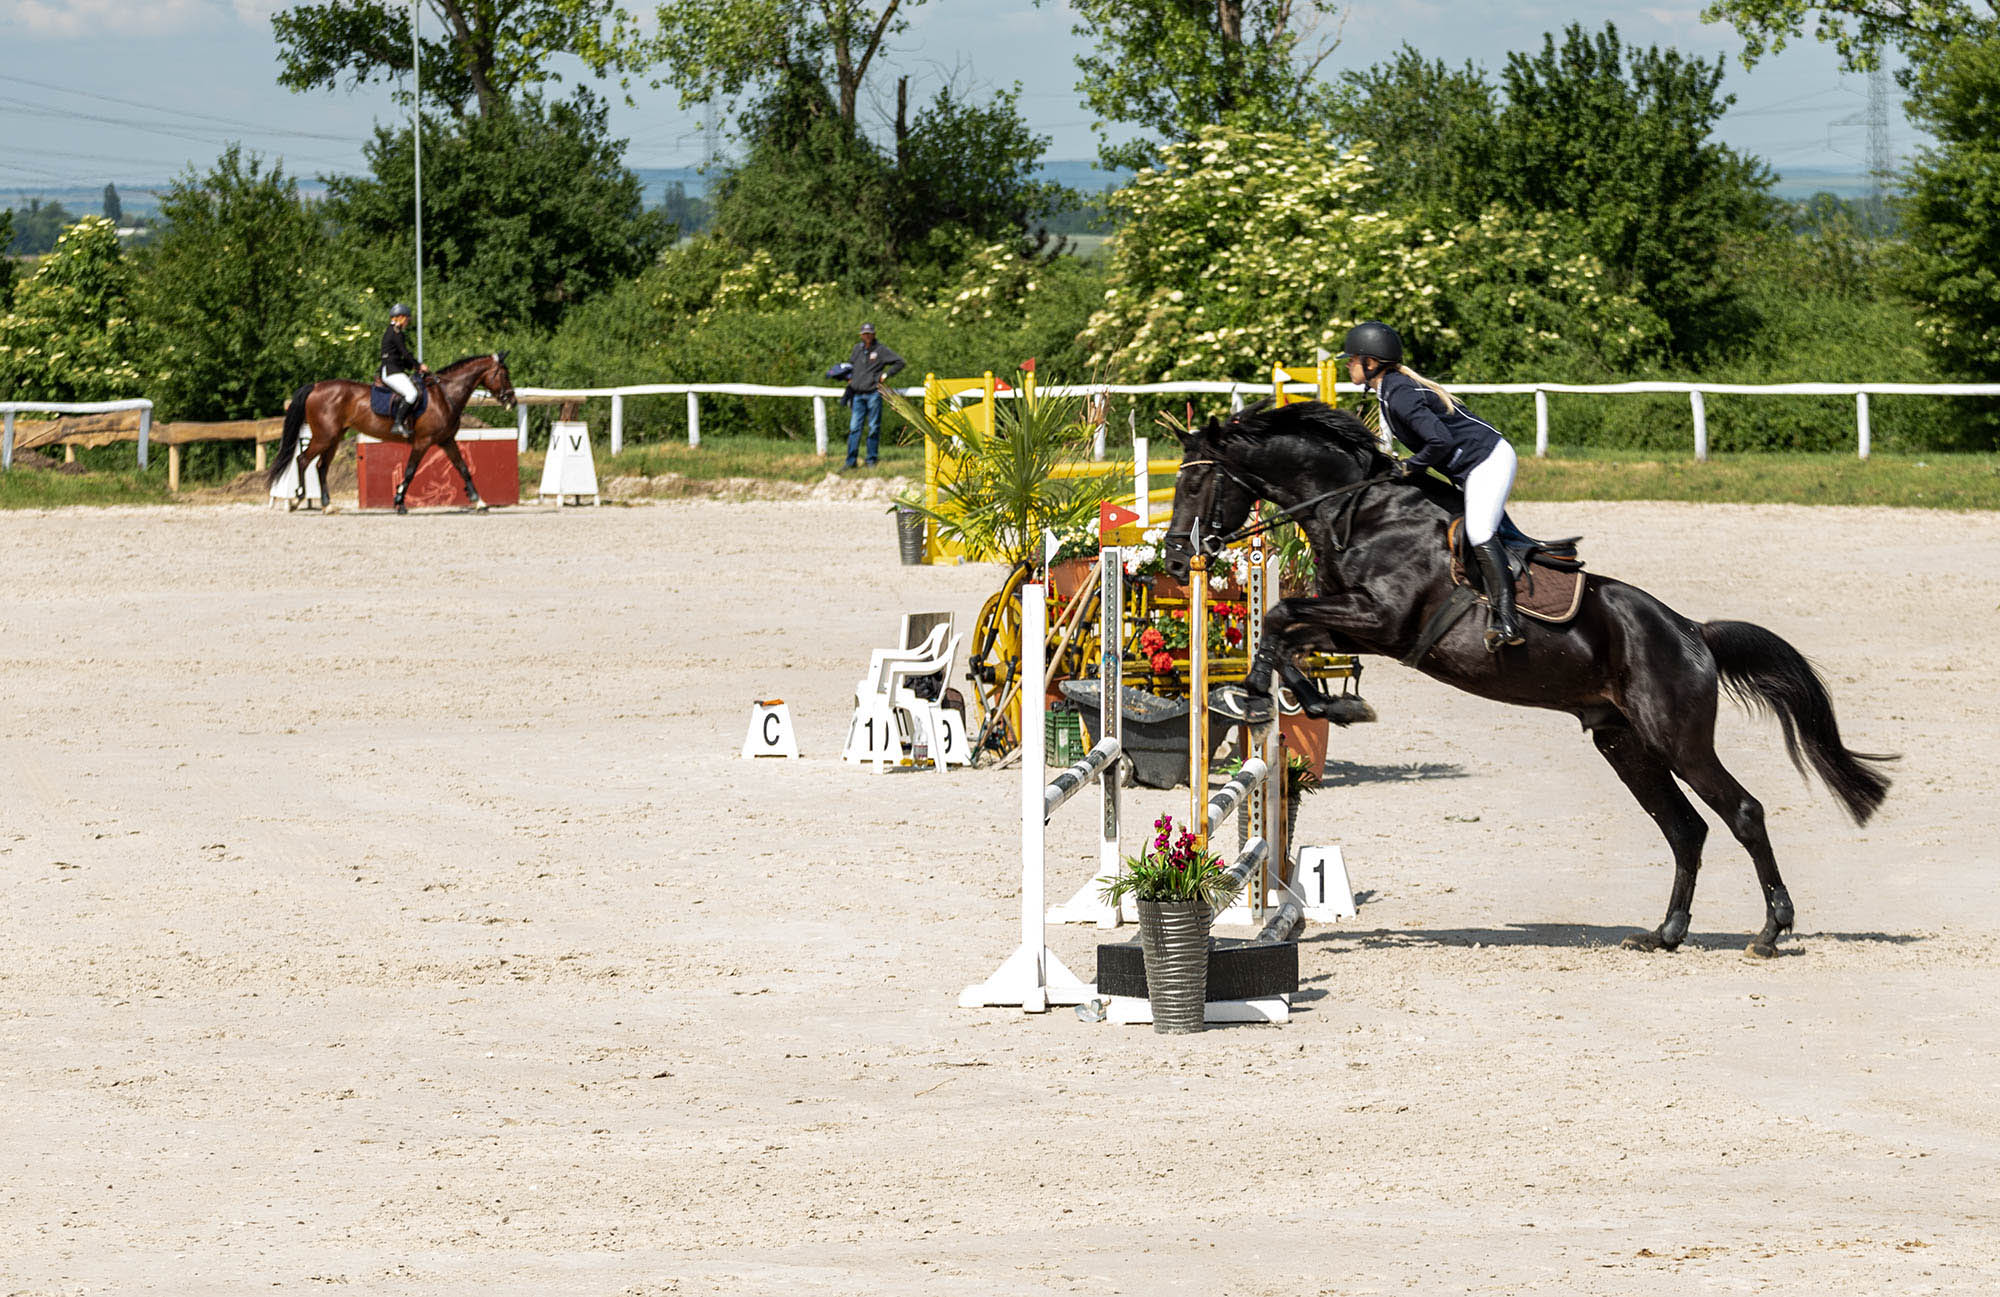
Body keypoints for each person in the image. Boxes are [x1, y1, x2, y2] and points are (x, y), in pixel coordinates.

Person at [1338, 320, 1524, 651]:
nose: (1348, 365)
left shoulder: (1400, 395)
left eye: (1352, 359)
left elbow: (1439, 439)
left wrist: (1410, 466)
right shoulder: (1389, 390)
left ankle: (1508, 620)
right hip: (1470, 466)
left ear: (1371, 362)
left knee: (1480, 532)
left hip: (1488, 461)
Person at [842, 323, 905, 468]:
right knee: (854, 428)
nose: (866, 336)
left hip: (873, 394)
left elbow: (900, 362)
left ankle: (871, 460)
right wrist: (848, 377)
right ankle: (850, 461)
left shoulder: (881, 350)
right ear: (861, 335)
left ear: (874, 334)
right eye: (864, 334)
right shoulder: (857, 349)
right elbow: (851, 366)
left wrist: (885, 375)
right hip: (857, 394)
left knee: (873, 427)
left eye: (869, 333)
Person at [380, 303, 429, 436]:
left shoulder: (393, 331)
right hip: (391, 372)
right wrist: (419, 366)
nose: (408, 322)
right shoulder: (396, 332)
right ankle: (398, 424)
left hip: (395, 369)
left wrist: (414, 367)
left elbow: (398, 357)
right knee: (411, 394)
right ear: (400, 317)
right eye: (407, 319)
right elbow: (405, 353)